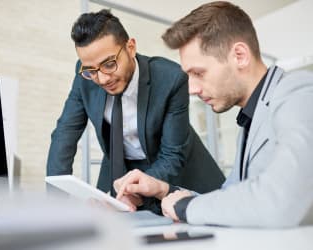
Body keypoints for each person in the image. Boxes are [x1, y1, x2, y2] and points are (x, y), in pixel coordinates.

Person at [115, 1, 313, 227]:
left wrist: (184, 207)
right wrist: (164, 190)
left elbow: (281, 200)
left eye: (198, 73)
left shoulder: (299, 92)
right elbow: (230, 201)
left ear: (239, 55)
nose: (191, 89)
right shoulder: (251, 120)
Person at [46, 9, 225, 214]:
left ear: (130, 47)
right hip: (121, 166)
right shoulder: (84, 76)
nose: (102, 79)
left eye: (109, 64)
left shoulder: (171, 78)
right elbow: (64, 135)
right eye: (91, 70)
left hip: (178, 169)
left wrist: (137, 192)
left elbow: (172, 154)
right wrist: (55, 206)